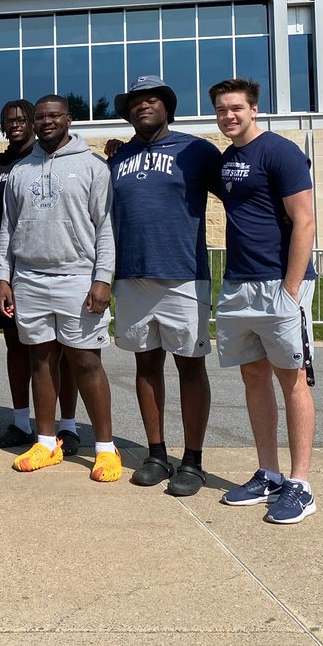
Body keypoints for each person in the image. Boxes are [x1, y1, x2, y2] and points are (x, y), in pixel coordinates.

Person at [108, 76, 222, 497]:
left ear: (167, 107)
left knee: (190, 366)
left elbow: (241, 196)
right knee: (145, 364)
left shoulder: (197, 151)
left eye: (152, 99)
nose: (143, 106)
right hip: (133, 275)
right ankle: (157, 454)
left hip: (183, 274)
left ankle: (193, 461)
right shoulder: (118, 157)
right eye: (136, 101)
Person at [210, 78, 318, 525]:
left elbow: (306, 220)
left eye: (236, 108)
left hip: (280, 283)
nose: (228, 116)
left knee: (292, 380)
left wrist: (291, 289)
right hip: (239, 282)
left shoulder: (279, 151)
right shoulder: (229, 159)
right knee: (254, 378)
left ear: (254, 109)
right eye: (221, 110)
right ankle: (269, 473)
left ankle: (300, 483)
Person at [0, 95, 120, 480]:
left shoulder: (92, 166)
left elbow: (105, 227)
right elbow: (8, 229)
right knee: (41, 361)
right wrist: (3, 276)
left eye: (54, 116)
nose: (47, 122)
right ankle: (47, 442)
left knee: (85, 362)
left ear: (69, 118)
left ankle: (105, 448)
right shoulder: (20, 170)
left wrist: (103, 278)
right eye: (41, 117)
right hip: (29, 278)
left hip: (78, 278)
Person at [0, 99, 80, 453]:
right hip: (15, 265)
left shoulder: (47, 158)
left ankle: (67, 426)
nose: (15, 125)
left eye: (22, 118)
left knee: (65, 352)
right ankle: (21, 422)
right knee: (17, 347)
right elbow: (1, 220)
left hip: (61, 268)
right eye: (8, 120)